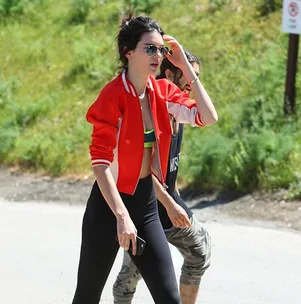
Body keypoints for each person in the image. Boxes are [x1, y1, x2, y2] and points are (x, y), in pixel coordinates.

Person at [72, 14, 218, 304]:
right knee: (87, 297)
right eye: (148, 48)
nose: (157, 55)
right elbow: (100, 164)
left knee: (169, 298)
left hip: (145, 205)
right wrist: (121, 216)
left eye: (160, 49)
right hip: (108, 208)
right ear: (129, 53)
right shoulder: (112, 96)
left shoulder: (161, 92)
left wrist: (185, 67)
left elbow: (207, 117)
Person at [113, 51, 211, 304]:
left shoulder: (178, 109)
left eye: (196, 77)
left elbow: (206, 116)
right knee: (132, 275)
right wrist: (169, 203)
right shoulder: (153, 106)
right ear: (169, 74)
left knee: (200, 251)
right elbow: (141, 168)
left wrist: (175, 197)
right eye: (188, 76)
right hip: (148, 207)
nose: (191, 84)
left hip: (170, 203)